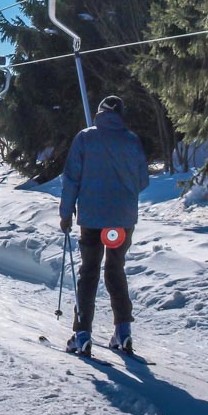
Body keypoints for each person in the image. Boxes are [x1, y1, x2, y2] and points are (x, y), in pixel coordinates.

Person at [59, 95, 149, 357]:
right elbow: (143, 180)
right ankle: (123, 332)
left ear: (100, 112)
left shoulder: (85, 138)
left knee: (89, 273)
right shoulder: (132, 141)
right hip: (121, 220)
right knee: (115, 269)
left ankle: (82, 334)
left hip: (93, 219)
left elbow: (71, 178)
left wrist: (66, 214)